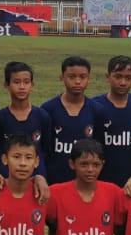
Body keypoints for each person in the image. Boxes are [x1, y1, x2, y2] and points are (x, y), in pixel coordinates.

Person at [41, 56, 97, 184]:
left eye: (82, 77)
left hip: (85, 183)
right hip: (54, 182)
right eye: (71, 77)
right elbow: (43, 150)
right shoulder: (48, 109)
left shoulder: (97, 110)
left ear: (89, 78)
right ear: (62, 77)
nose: (77, 81)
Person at [0, 62, 51, 180]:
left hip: (36, 178)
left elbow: (46, 150)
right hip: (7, 178)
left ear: (32, 85)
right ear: (6, 85)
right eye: (16, 82)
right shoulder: (0, 118)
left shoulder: (42, 116)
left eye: (26, 82)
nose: (22, 87)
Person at [91, 55, 131, 188]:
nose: (123, 82)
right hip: (103, 181)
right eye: (118, 77)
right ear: (108, 76)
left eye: (128, 78)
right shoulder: (95, 106)